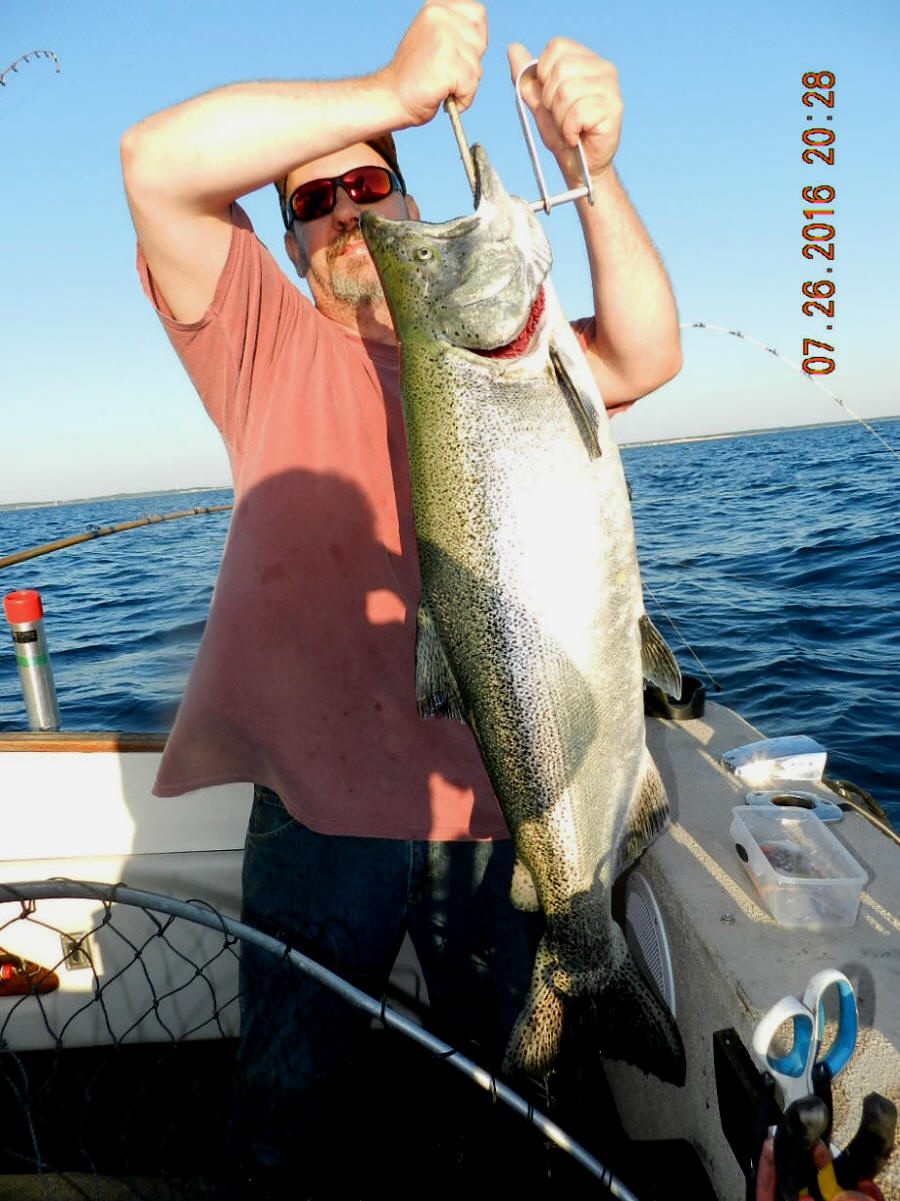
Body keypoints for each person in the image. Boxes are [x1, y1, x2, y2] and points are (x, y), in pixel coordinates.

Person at [120, 0, 682, 1189]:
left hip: (505, 811)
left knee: (515, 1119)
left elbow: (647, 353)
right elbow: (155, 162)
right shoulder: (265, 342)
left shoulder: (513, 346)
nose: (343, 212)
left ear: (411, 201)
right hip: (317, 815)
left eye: (368, 185)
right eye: (310, 201)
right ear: (287, 240)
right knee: (281, 1113)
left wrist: (593, 170)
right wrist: (389, 90)